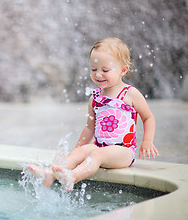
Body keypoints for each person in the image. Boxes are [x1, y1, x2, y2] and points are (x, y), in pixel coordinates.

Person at [28, 37, 159, 192]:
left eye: (105, 70)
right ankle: (50, 175)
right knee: (81, 152)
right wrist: (77, 151)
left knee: (97, 155)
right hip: (100, 148)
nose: (98, 75)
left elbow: (148, 117)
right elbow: (90, 128)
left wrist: (147, 141)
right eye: (93, 69)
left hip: (123, 151)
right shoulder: (95, 98)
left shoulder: (130, 94)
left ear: (123, 70)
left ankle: (73, 177)